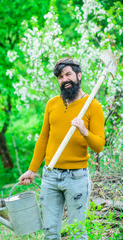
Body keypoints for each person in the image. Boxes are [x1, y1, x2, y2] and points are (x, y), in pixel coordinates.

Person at [19, 57, 105, 240]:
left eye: (68, 74)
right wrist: (32, 170)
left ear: (78, 75)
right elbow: (43, 139)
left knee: (77, 232)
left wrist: (84, 131)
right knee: (49, 232)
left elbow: (99, 146)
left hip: (77, 178)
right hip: (50, 176)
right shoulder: (52, 104)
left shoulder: (93, 106)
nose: (64, 79)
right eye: (60, 77)